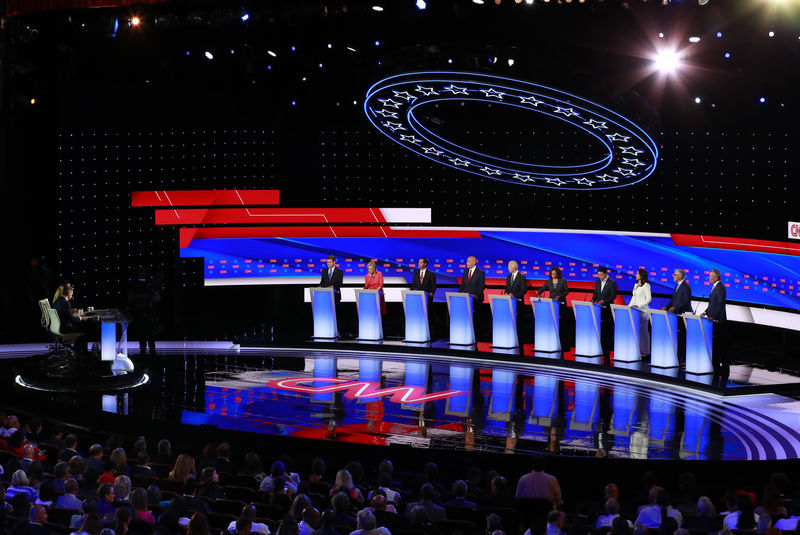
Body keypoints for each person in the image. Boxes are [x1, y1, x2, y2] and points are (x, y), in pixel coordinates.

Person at [701, 269, 727, 371]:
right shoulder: (715, 287)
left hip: (718, 321)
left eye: (711, 276)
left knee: (720, 345)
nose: (709, 277)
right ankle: (715, 366)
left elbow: (720, 305)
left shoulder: (720, 287)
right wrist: (706, 312)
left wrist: (714, 316)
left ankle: (723, 369)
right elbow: (712, 304)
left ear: (716, 277)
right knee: (715, 344)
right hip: (712, 319)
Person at [592, 267, 618, 359]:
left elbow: (613, 296)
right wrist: (593, 300)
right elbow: (596, 292)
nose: (600, 277)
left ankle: (606, 352)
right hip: (598, 308)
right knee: (599, 329)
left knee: (606, 331)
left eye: (601, 275)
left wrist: (604, 301)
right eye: (598, 275)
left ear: (606, 274)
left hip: (607, 309)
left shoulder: (612, 282)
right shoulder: (598, 282)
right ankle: (599, 348)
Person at [459, 256, 486, 339]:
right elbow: (463, 284)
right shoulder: (465, 271)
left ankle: (477, 336)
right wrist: (458, 294)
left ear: (474, 262)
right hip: (466, 299)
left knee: (476, 317)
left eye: (468, 261)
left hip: (476, 298)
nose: (466, 263)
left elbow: (481, 286)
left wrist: (475, 295)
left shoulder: (480, 272)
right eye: (467, 261)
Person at [629, 268, 652, 357]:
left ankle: (645, 352)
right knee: (636, 331)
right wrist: (628, 307)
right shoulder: (636, 285)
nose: (636, 275)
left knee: (643, 332)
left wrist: (639, 306)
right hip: (635, 311)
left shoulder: (646, 285)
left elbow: (649, 299)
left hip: (643, 311)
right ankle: (638, 350)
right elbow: (633, 297)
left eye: (637, 273)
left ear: (641, 275)